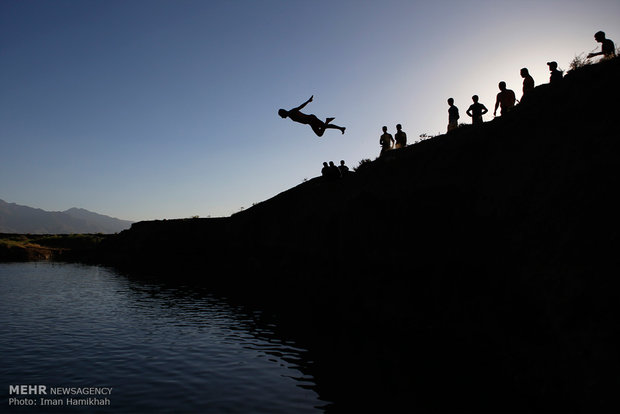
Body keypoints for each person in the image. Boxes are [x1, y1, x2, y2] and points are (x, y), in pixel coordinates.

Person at [278, 95, 346, 137]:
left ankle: (339, 127)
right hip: (310, 122)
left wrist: (308, 101)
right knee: (321, 131)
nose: (282, 117)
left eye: (281, 115)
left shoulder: (292, 112)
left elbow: (300, 106)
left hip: (311, 119)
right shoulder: (290, 115)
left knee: (322, 130)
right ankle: (329, 122)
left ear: (283, 113)